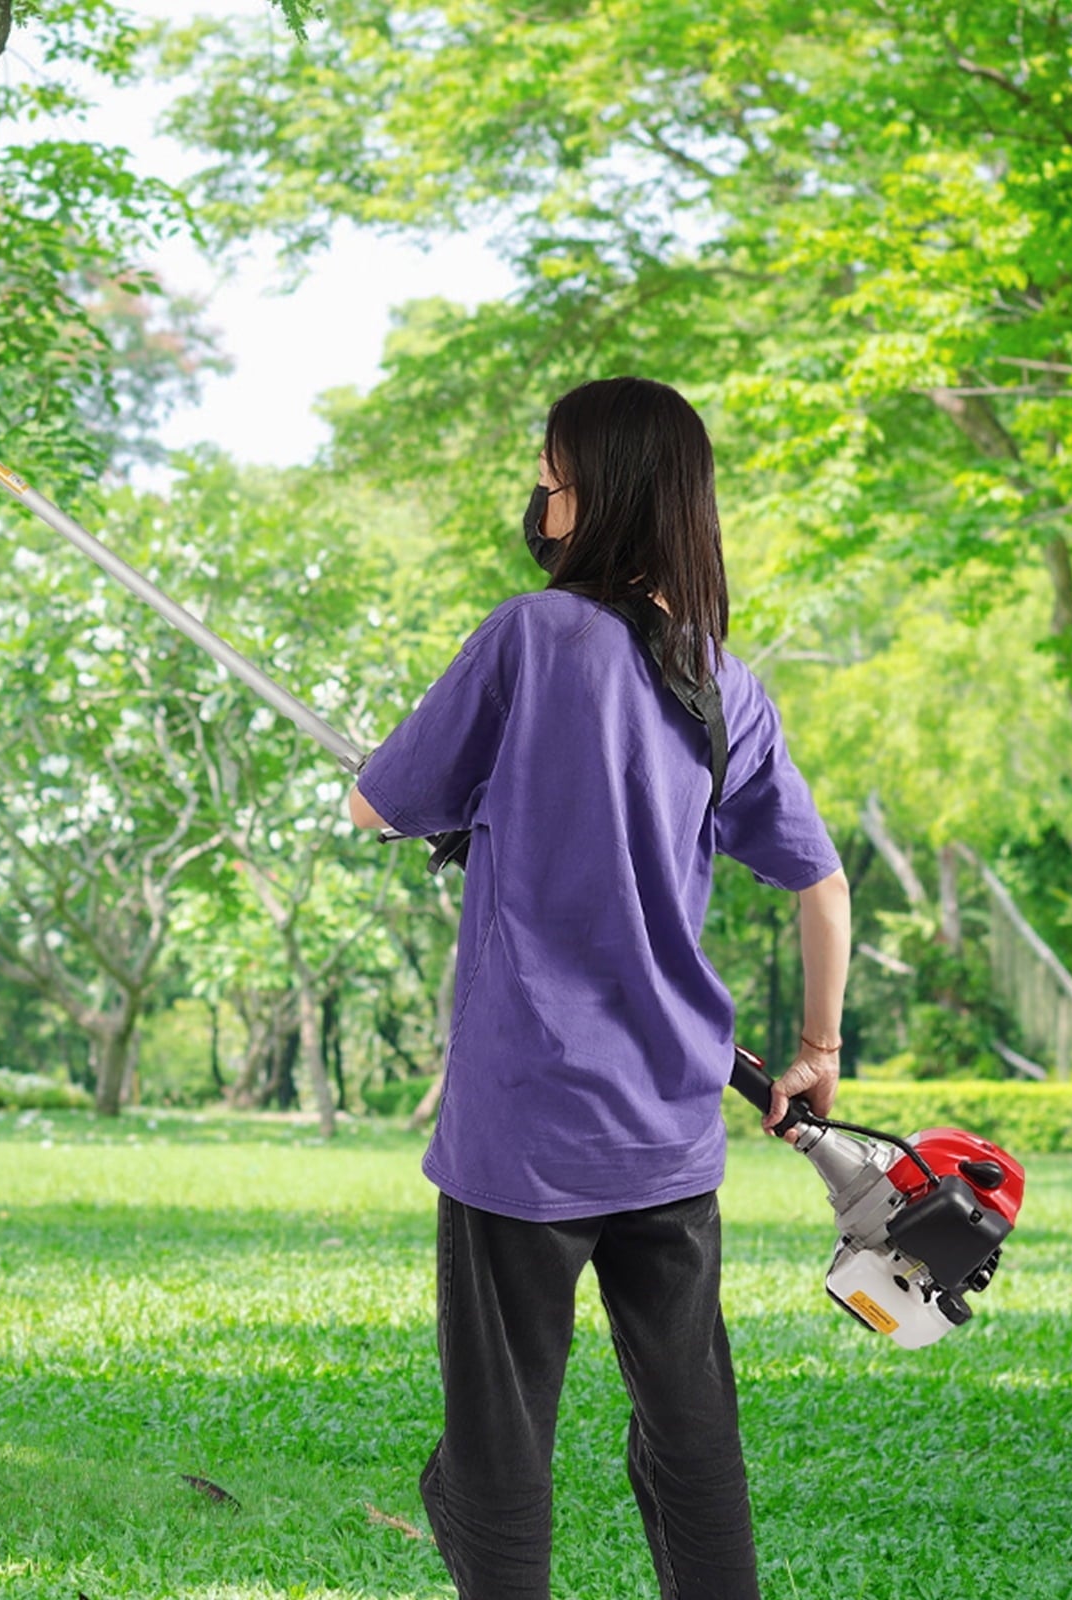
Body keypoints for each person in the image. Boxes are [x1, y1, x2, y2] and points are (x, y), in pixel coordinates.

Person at [347, 376, 851, 1600]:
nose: (541, 497)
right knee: (691, 1425)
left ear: (600, 494)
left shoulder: (527, 637)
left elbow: (372, 804)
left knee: (499, 1431)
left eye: (552, 476)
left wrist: (441, 797)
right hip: (667, 1123)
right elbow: (821, 882)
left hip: (521, 1123)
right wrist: (818, 1052)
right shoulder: (724, 684)